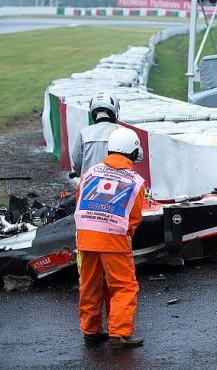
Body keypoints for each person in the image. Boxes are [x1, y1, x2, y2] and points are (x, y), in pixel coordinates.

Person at [75, 127, 145, 349]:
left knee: (90, 284)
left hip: (85, 236)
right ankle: (119, 334)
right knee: (123, 286)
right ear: (133, 151)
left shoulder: (91, 172)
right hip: (114, 239)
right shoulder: (135, 181)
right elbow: (134, 218)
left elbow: (79, 201)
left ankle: (91, 330)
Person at [71, 91, 121, 177]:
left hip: (89, 185)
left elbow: (76, 161)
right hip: (116, 184)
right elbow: (138, 156)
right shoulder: (122, 131)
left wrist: (79, 173)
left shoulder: (84, 133)